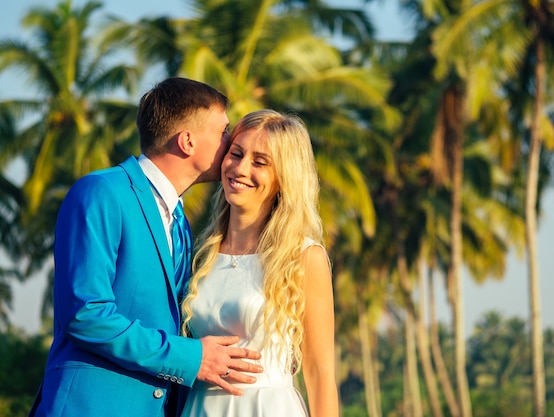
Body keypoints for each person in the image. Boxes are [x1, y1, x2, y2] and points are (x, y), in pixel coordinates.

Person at [29, 77, 264, 417]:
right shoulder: (102, 192)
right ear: (187, 141)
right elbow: (86, 313)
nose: (231, 144)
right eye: (223, 132)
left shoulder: (180, 222)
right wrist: (191, 358)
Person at [179, 109, 339, 417]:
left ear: (284, 177)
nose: (240, 168)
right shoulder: (200, 255)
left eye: (260, 162)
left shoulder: (305, 256)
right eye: (236, 154)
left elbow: (320, 372)